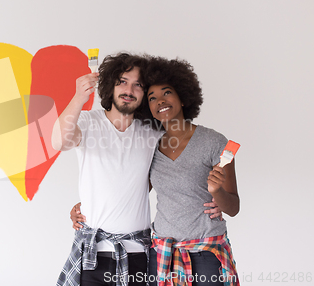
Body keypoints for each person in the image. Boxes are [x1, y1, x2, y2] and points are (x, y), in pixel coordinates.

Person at [54, 53, 221, 286]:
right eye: (122, 81)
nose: (129, 89)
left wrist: (216, 198)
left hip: (139, 253)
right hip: (94, 252)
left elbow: (182, 159)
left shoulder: (152, 130)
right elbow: (59, 142)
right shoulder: (87, 121)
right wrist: (78, 98)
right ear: (110, 84)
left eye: (138, 85)